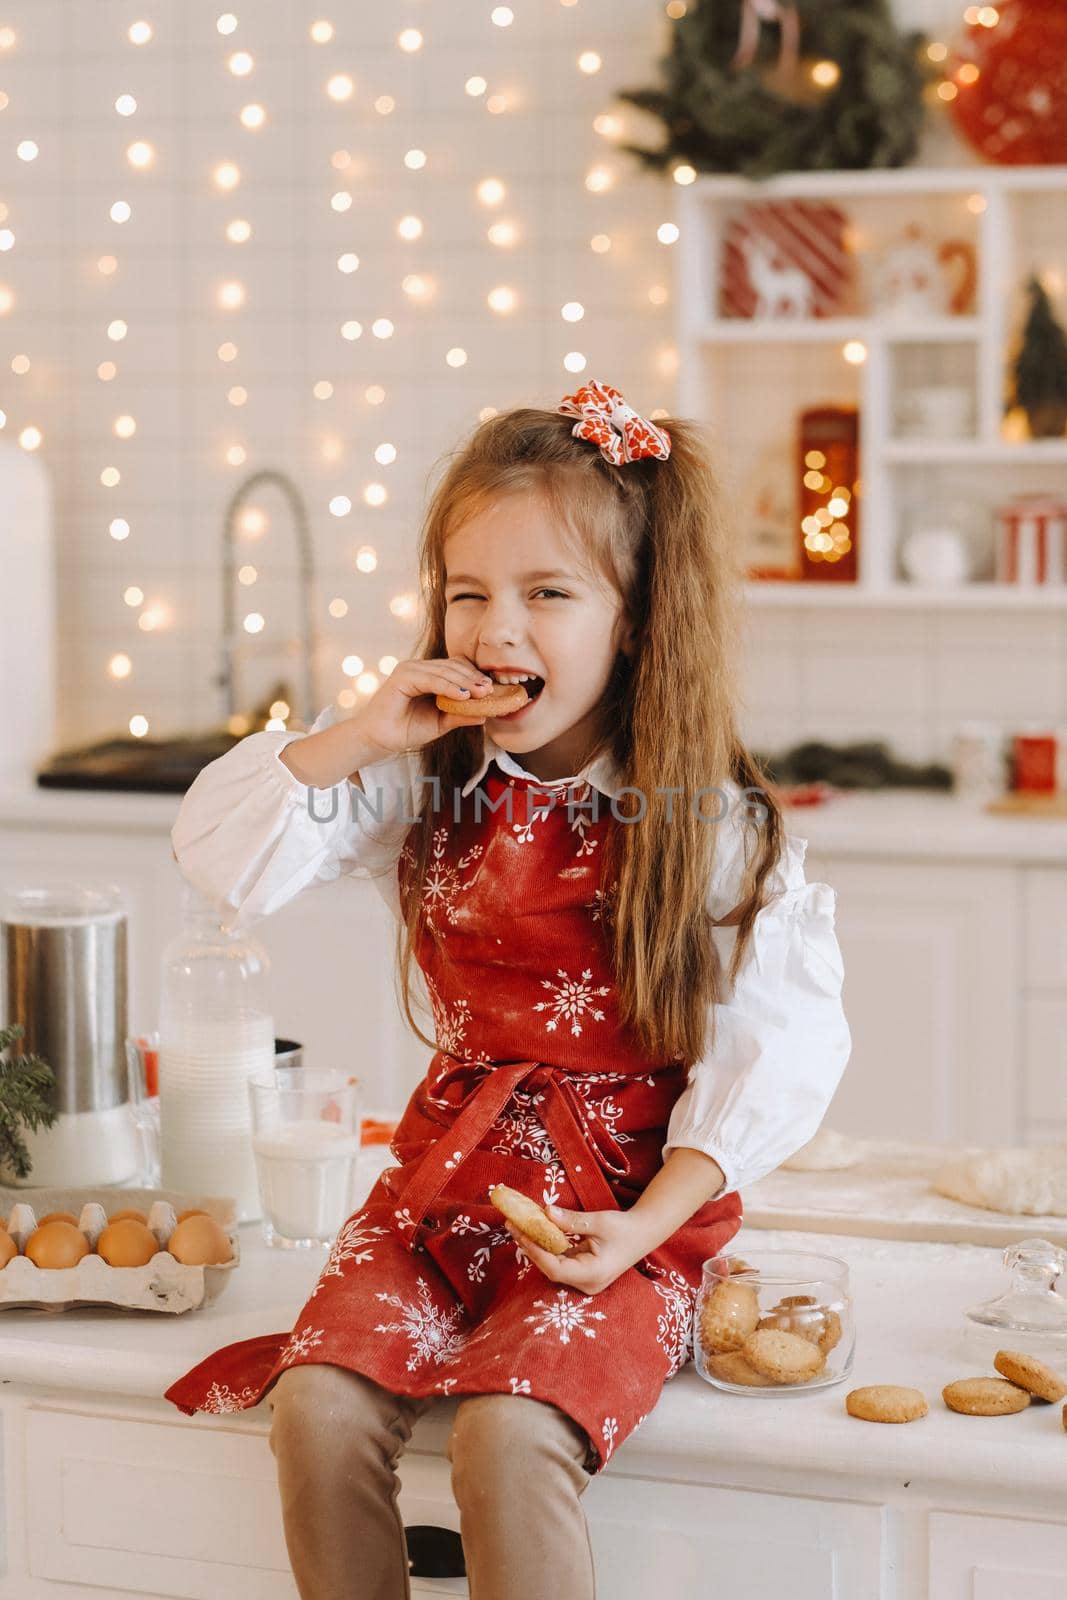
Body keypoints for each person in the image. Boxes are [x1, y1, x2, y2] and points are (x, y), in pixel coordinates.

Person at [163, 380, 852, 1600]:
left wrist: (640, 1230)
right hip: (448, 1183)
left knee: (504, 1431)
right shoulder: (416, 773)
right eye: (468, 592)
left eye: (547, 593)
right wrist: (360, 731)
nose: (497, 629)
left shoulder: (713, 826)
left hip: (620, 1210)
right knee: (316, 1412)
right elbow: (222, 861)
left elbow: (773, 1061)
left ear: (634, 619)